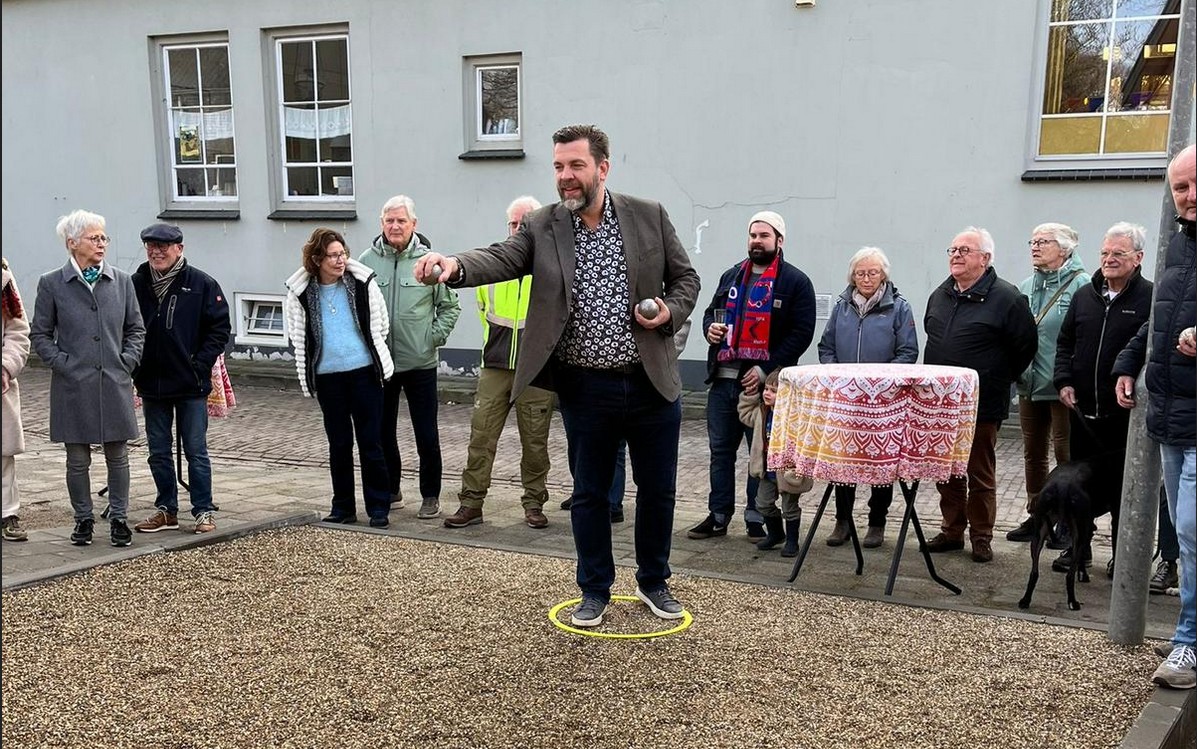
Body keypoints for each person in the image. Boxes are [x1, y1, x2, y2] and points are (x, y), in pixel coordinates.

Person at [414, 124, 701, 628]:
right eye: (558, 167)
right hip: (586, 388)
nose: (565, 177)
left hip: (652, 381)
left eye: (575, 166)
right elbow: (500, 258)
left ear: (602, 168)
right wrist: (454, 265)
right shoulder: (543, 225)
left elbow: (687, 278)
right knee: (589, 493)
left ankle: (654, 582)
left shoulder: (648, 215)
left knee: (658, 491)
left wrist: (669, 312)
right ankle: (594, 589)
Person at [1113, 144, 1195, 690]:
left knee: (1191, 528)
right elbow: (1159, 322)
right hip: (1168, 414)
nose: (1188, 197)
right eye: (1180, 188)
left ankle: (1188, 641)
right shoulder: (1179, 249)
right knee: (1188, 532)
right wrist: (1128, 362)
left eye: (1196, 185)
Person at [688, 211, 815, 542]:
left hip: (764, 387)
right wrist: (710, 330)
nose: (756, 241)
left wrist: (763, 369)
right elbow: (708, 314)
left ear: (779, 241)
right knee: (720, 452)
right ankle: (718, 515)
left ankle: (755, 516)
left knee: (758, 453)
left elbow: (801, 333)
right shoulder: (732, 276)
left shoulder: (796, 282)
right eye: (752, 235)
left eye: (764, 236)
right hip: (722, 381)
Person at [30, 209, 145, 547]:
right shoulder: (51, 283)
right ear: (72, 243)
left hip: (114, 379)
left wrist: (127, 361)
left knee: (118, 455)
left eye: (103, 237)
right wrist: (63, 363)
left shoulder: (122, 281)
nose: (101, 244)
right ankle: (83, 519)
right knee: (77, 459)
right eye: (94, 238)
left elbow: (135, 328)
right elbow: (39, 333)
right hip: (72, 384)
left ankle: (119, 518)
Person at [923, 227, 1037, 563]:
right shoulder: (940, 294)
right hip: (940, 402)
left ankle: (982, 536)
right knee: (946, 471)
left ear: (985, 259)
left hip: (981, 403)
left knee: (979, 472)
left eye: (965, 250)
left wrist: (995, 376)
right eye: (953, 249)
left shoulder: (1007, 298)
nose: (956, 255)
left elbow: (1025, 347)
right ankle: (951, 530)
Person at [1046, 222, 1151, 576]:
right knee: (1080, 489)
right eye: (1105, 253)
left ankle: (1123, 557)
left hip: (1125, 417)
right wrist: (1063, 381)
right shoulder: (1084, 296)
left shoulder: (1150, 298)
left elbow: (1150, 353)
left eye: (1118, 254)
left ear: (1138, 258)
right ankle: (1078, 549)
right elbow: (1065, 344)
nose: (1109, 259)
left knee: (1125, 491)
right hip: (1081, 413)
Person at [444, 196, 555, 530]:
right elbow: (483, 312)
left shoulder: (551, 267)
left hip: (537, 368)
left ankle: (534, 503)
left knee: (535, 441)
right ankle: (471, 503)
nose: (518, 228)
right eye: (513, 223)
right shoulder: (497, 266)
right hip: (495, 364)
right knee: (481, 436)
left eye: (525, 222)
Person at [359, 195, 461, 520]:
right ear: (381, 224)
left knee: (426, 434)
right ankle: (392, 490)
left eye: (401, 220)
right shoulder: (365, 261)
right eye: (389, 220)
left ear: (414, 224)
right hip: (383, 365)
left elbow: (450, 306)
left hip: (421, 364)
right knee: (383, 432)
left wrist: (432, 338)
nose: (395, 226)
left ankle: (430, 495)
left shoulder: (430, 262)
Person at [285, 228, 395, 527]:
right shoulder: (301, 293)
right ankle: (343, 507)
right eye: (333, 255)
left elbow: (381, 326)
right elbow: (297, 336)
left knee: (371, 443)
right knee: (339, 444)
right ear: (317, 259)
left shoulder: (362, 283)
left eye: (342, 253)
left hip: (364, 374)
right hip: (328, 378)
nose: (340, 260)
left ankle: (378, 508)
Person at [129, 223, 231, 535]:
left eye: (163, 246)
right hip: (152, 382)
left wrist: (198, 365)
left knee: (196, 450)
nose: (156, 252)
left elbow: (219, 329)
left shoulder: (201, 283)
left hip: (190, 384)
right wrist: (134, 365)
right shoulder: (135, 282)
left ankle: (203, 509)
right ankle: (166, 509)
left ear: (179, 249)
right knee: (158, 450)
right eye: (151, 246)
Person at [816, 246, 919, 548]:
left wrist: (879, 382)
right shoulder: (842, 306)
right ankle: (842, 522)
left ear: (883, 274)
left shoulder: (899, 307)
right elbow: (826, 347)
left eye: (872, 272)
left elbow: (907, 352)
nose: (866, 278)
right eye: (860, 273)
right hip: (846, 399)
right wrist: (840, 376)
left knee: (880, 465)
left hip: (883, 401)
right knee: (842, 464)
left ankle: (877, 523)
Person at [1006, 223, 1089, 545]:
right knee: (1033, 452)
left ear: (1065, 248)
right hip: (1030, 382)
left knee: (1066, 452)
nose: (1035, 247)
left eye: (1043, 242)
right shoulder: (1026, 286)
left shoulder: (1082, 286)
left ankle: (1067, 520)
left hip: (1063, 386)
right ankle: (1037, 515)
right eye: (1033, 241)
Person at [738, 368, 813, 556]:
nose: (766, 394)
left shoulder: (794, 417)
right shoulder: (762, 412)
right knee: (762, 503)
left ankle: (792, 541)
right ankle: (776, 533)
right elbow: (745, 414)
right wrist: (749, 395)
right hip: (766, 469)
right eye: (766, 389)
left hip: (787, 470)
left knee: (790, 507)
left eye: (773, 391)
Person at [2, 259, 31, 542]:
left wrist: (6, 366)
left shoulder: (2, 276)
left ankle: (7, 514)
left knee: (2, 454)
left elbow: (18, 331)